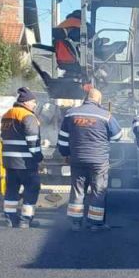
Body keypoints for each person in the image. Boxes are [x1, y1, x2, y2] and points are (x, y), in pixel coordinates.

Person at [58, 87, 121, 232]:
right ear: (99, 100)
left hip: (77, 159)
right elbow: (117, 137)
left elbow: (62, 139)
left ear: (86, 98)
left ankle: (75, 223)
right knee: (98, 190)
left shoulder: (71, 113)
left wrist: (66, 154)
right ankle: (95, 223)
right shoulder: (106, 115)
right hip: (98, 161)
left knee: (78, 190)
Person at [0, 88, 43, 229]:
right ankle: (25, 219)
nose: (35, 105)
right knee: (32, 188)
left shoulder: (7, 115)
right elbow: (32, 140)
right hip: (26, 162)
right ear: (25, 102)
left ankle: (10, 219)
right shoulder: (27, 116)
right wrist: (38, 157)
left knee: (11, 189)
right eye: (33, 102)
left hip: (9, 161)